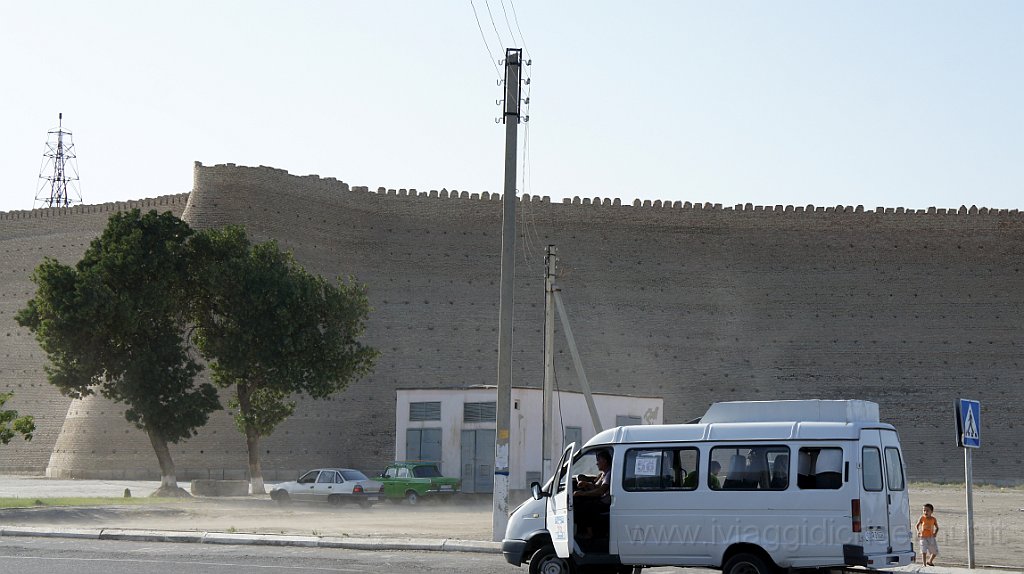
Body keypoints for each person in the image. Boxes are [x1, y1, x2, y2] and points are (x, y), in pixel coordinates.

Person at [574, 450, 612, 540]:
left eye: (599, 460)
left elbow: (600, 491)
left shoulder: (609, 474)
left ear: (605, 461)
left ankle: (590, 534)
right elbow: (596, 487)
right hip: (600, 499)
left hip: (604, 502)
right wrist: (586, 484)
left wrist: (582, 493)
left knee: (585, 506)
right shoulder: (603, 474)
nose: (596, 463)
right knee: (578, 501)